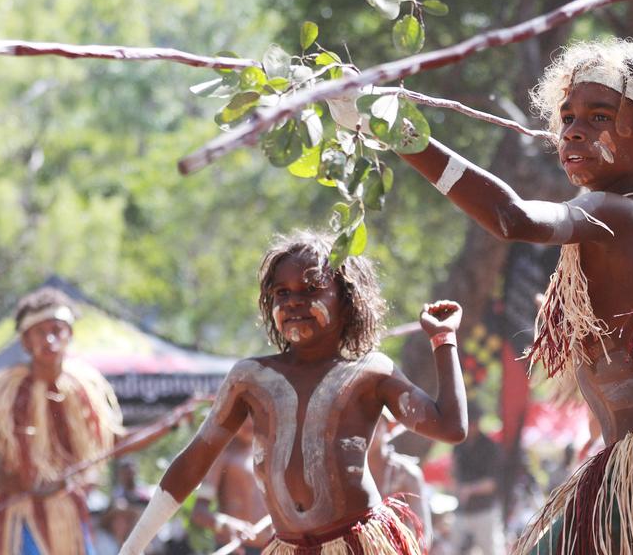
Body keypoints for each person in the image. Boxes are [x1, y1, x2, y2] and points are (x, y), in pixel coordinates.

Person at [395, 38, 633, 554]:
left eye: (598, 116)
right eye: (566, 117)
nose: (573, 130)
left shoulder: (619, 214)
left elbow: (513, 218)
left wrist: (407, 138)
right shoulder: (628, 218)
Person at [117, 231, 467, 555]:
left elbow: (451, 427)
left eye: (311, 289)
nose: (294, 302)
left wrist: (443, 339)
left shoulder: (369, 372)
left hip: (356, 544)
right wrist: (133, 547)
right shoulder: (250, 378)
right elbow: (192, 464)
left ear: (347, 300)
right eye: (282, 293)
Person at [0, 287, 192, 555]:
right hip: (16, 516)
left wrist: (170, 422)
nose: (50, 338)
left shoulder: (82, 392)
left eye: (57, 329)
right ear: (26, 341)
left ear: (70, 335)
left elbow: (115, 442)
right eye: (41, 331)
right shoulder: (2, 394)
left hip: (67, 515)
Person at [191, 421, 273, 553]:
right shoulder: (222, 455)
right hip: (237, 549)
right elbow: (199, 512)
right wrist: (225, 524)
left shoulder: (271, 452)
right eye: (243, 413)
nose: (249, 421)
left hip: (270, 548)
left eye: (252, 412)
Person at [366, 418, 433, 552]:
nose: (365, 432)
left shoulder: (408, 474)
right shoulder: (349, 475)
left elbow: (422, 533)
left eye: (373, 424)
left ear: (389, 427)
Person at [450, 414, 503, 555]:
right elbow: (453, 474)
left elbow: (492, 483)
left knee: (491, 551)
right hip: (462, 511)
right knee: (455, 549)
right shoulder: (459, 446)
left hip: (484, 510)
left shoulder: (489, 446)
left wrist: (470, 490)